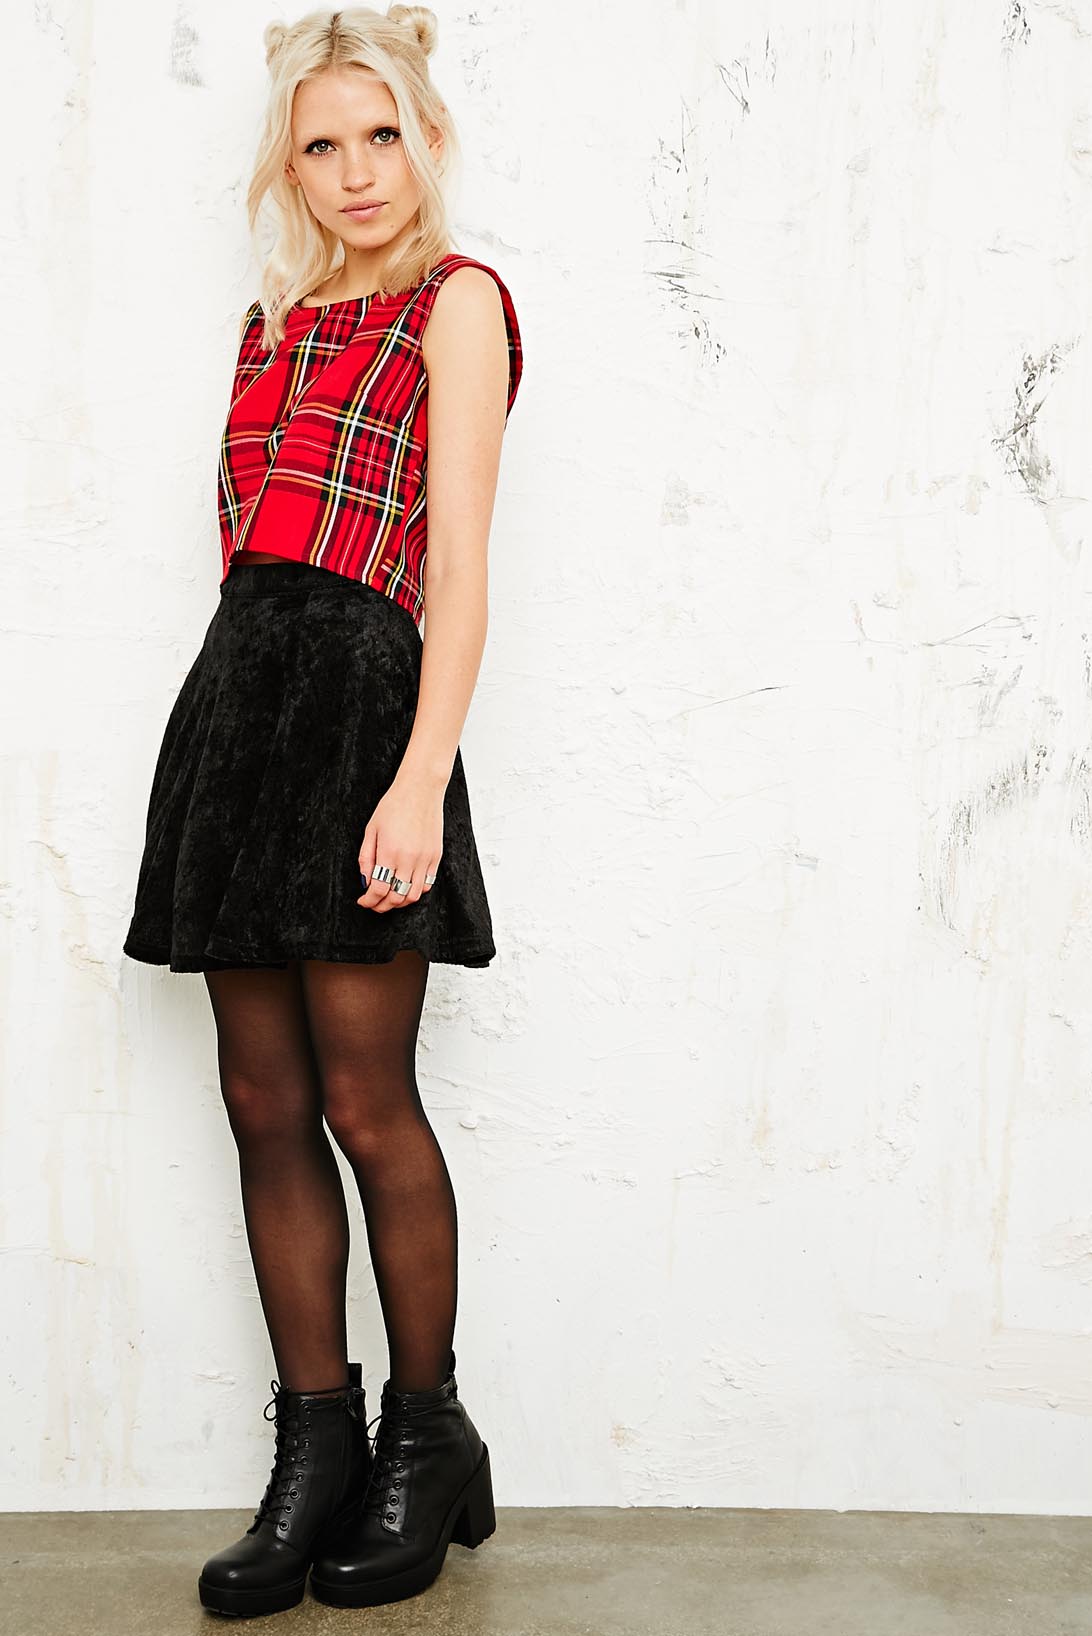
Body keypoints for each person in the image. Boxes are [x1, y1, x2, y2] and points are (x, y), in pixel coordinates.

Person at [121, 4, 523, 1616]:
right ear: (288, 169)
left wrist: (418, 777)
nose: (358, 172)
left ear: (426, 139)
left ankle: (427, 1438)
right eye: (322, 147)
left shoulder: (456, 303)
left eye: (382, 136)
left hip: (364, 716)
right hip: (239, 711)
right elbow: (249, 564)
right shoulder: (271, 324)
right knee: (261, 1101)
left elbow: (459, 569)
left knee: (366, 1101)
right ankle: (315, 1451)